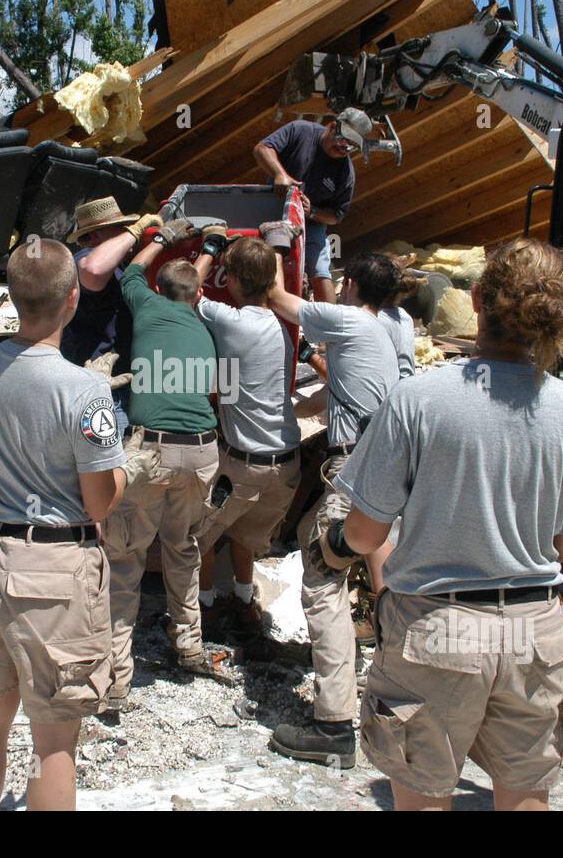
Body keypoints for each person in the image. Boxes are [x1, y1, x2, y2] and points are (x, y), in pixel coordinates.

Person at [329, 237, 563, 810]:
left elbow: (365, 534)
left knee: (425, 793)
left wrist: (336, 546)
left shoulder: (418, 399)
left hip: (438, 628)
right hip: (535, 630)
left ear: (478, 298)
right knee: (527, 794)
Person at [0, 240, 127, 811]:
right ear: (73, 299)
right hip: (51, 568)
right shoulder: (85, 390)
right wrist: (122, 467)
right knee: (54, 741)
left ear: (12, 296)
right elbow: (98, 503)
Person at [264, 250, 402, 767]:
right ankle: (362, 663)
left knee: (322, 577)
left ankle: (334, 723)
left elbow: (279, 299)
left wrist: (280, 247)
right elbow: (337, 395)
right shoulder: (381, 332)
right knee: (309, 532)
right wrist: (289, 409)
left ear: (349, 286)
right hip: (374, 461)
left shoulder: (347, 319)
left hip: (354, 467)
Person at [102, 218, 222, 711]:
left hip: (150, 451)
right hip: (201, 452)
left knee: (126, 558)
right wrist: (210, 250)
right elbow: (189, 285)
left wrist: (157, 239)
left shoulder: (146, 303)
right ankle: (189, 647)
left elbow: (129, 270)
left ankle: (114, 678)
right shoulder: (205, 322)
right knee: (183, 548)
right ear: (195, 294)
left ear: (159, 289)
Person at [191, 227, 302, 642]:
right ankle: (243, 603)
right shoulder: (281, 328)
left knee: (198, 537)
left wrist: (209, 249)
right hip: (287, 465)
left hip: (245, 465)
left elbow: (185, 289)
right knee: (247, 537)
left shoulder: (230, 321)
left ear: (232, 281)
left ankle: (203, 612)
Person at [60, 196, 163, 433]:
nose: (128, 235)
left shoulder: (117, 265)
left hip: (118, 388)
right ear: (96, 236)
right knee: (109, 465)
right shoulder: (82, 259)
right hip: (104, 392)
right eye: (121, 230)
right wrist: (136, 231)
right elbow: (93, 271)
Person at [253, 108, 373, 303]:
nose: (344, 149)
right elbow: (262, 149)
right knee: (259, 263)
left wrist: (313, 212)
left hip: (311, 225)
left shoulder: (345, 172)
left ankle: (328, 327)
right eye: (343, 141)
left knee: (319, 271)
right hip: (272, 211)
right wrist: (279, 174)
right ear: (333, 126)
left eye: (350, 147)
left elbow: (337, 215)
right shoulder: (300, 130)